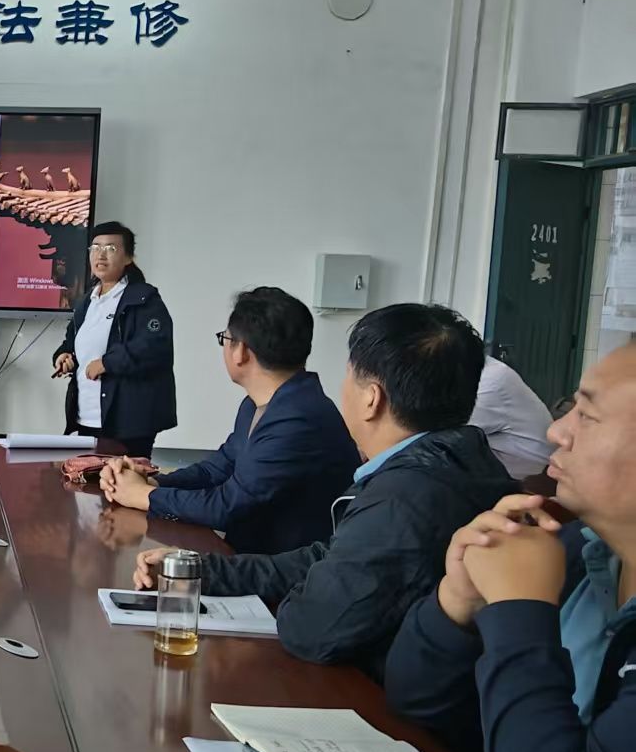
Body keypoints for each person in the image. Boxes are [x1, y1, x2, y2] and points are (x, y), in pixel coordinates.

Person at [133, 303, 517, 679]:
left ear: (372, 399)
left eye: (349, 377)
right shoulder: (454, 463)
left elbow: (312, 628)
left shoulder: (406, 497)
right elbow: (330, 557)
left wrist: (300, 595)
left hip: (377, 699)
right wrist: (204, 571)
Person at [387, 345, 636, 752]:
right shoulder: (576, 550)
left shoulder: (545, 570)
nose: (556, 432)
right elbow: (415, 698)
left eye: (587, 416)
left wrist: (521, 608)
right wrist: (458, 601)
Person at [102, 287, 360, 554]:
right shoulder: (260, 404)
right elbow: (216, 470)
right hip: (246, 558)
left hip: (284, 572)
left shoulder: (298, 418)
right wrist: (152, 482)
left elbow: (227, 507)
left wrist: (143, 496)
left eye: (225, 338)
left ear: (242, 351)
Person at [50, 222, 175, 456]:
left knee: (123, 478)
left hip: (128, 420)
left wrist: (107, 363)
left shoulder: (143, 298)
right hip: (87, 415)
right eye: (96, 248)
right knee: (87, 478)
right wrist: (64, 356)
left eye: (111, 248)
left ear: (128, 258)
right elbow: (72, 342)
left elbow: (154, 348)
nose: (101, 255)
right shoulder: (87, 300)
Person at [472, 352, 556, 480]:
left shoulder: (489, 380)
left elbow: (448, 431)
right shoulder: (478, 370)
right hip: (506, 470)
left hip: (530, 479)